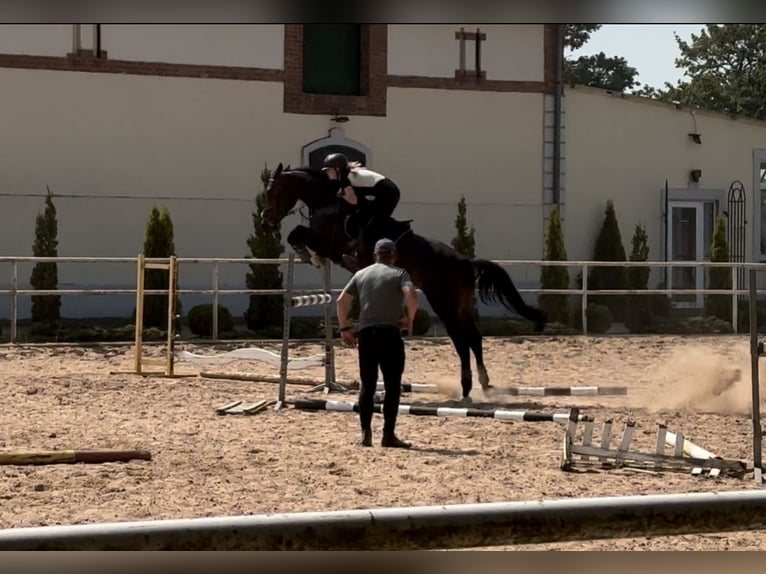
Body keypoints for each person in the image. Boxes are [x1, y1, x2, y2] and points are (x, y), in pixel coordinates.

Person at [336, 237, 419, 448]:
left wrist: (345, 328)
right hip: (389, 333)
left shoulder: (361, 274)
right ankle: (388, 435)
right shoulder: (400, 273)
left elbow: (341, 301)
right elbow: (411, 294)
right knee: (392, 387)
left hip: (366, 335)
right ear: (394, 256)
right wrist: (409, 317)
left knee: (368, 385)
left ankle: (365, 434)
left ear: (375, 255)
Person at [321, 152, 402, 267]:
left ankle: (367, 258)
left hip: (388, 194)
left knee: (368, 225)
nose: (327, 173)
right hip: (380, 193)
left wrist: (339, 194)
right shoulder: (345, 174)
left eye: (328, 170)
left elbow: (353, 201)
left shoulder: (344, 178)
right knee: (355, 219)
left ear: (337, 169)